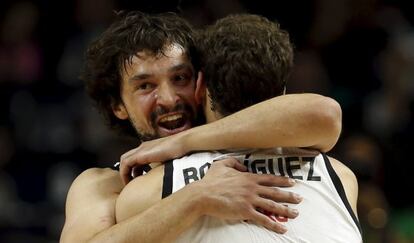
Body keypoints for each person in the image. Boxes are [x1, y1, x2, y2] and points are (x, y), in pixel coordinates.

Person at [60, 11, 342, 242]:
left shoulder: (266, 140)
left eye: (180, 78)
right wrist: (195, 197)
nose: (169, 99)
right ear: (117, 106)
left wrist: (185, 141)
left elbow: (323, 114)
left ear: (200, 83)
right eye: (146, 86)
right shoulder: (103, 184)